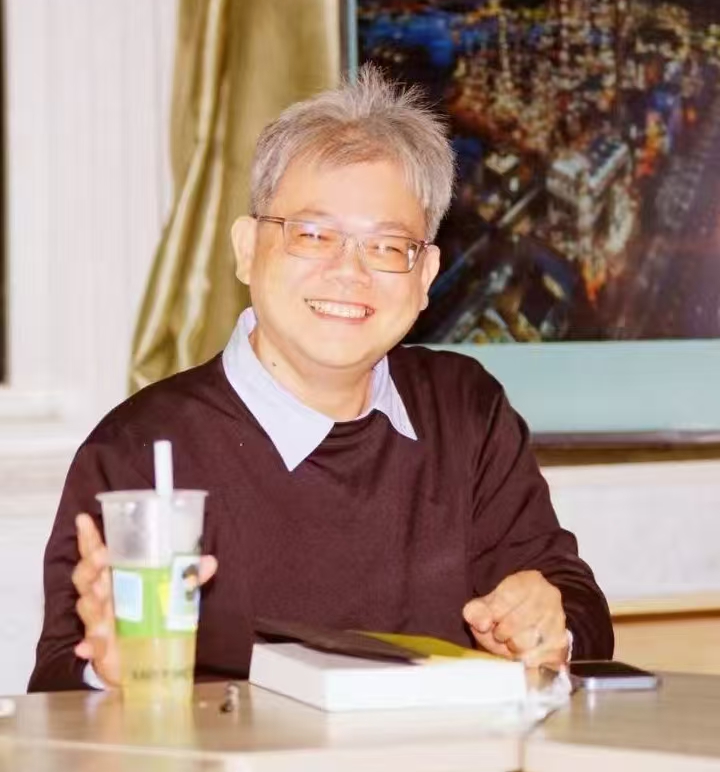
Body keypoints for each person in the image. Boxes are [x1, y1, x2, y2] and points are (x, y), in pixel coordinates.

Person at [29, 66, 613, 693]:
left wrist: (547, 625)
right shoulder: (139, 450)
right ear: (247, 249)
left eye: (386, 247)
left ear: (424, 277)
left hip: (439, 757)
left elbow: (576, 608)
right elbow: (58, 688)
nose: (349, 273)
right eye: (313, 235)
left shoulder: (465, 411)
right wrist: (108, 675)